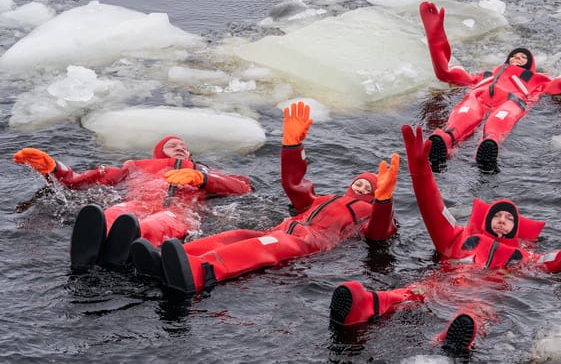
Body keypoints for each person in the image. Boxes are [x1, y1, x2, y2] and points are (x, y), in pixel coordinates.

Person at [328, 124, 561, 353]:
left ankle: (456, 337)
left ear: (517, 229)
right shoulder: (457, 239)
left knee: (474, 316)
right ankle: (363, 304)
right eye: (497, 215)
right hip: (441, 284)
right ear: (485, 220)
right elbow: (434, 208)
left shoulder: (525, 259)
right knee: (409, 293)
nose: (502, 220)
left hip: (482, 298)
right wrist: (420, 169)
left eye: (509, 218)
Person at [130, 101, 400, 295]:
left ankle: (202, 271)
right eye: (361, 184)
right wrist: (292, 147)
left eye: (371, 188)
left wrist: (384, 201)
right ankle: (169, 257)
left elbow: (379, 233)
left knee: (262, 247)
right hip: (285, 229)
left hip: (306, 243)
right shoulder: (326, 199)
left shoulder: (369, 214)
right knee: (237, 235)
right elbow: (295, 186)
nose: (364, 189)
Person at [418, 1, 561, 172]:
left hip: (512, 101)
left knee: (498, 122)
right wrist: (435, 37)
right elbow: (444, 73)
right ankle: (444, 141)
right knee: (462, 118)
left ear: (530, 64)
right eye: (514, 55)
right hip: (477, 97)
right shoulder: (486, 75)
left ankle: (488, 146)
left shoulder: (539, 80)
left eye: (523, 57)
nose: (517, 58)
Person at [13, 135, 253, 271]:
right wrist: (55, 168)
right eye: (173, 146)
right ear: (159, 153)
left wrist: (203, 179)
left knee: (156, 224)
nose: (180, 148)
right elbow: (83, 180)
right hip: (136, 205)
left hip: (176, 212)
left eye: (184, 147)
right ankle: (88, 251)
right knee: (112, 213)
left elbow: (242, 186)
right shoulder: (135, 166)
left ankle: (125, 249)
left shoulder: (201, 170)